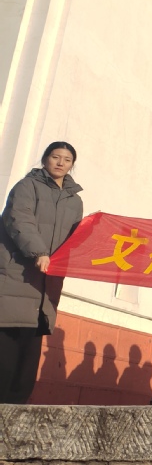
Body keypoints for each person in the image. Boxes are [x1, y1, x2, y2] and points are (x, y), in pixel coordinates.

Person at [0, 142, 82, 404]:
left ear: (72, 165)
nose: (60, 163)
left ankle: (17, 413)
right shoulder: (27, 187)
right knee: (6, 350)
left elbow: (76, 238)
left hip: (47, 284)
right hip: (17, 274)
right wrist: (38, 252)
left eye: (67, 159)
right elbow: (19, 219)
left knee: (28, 357)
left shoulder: (75, 200)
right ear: (45, 159)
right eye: (55, 157)